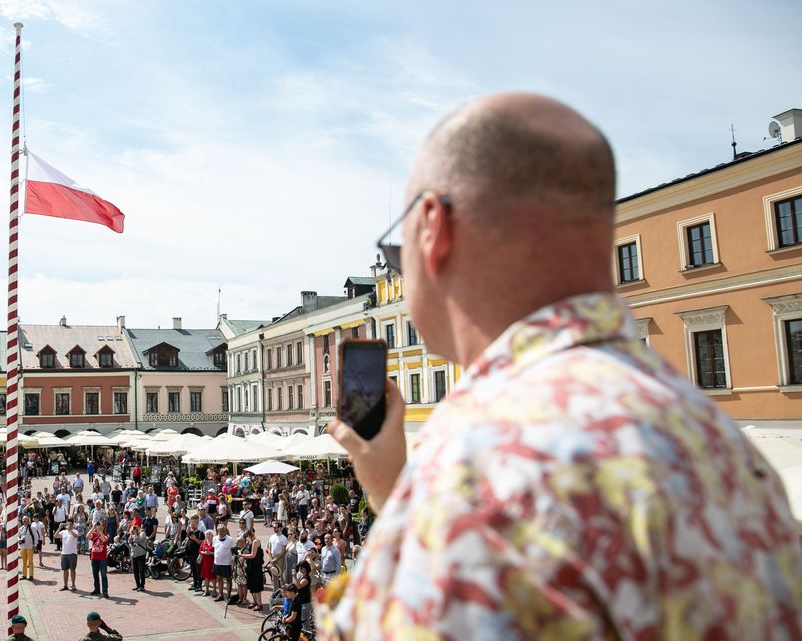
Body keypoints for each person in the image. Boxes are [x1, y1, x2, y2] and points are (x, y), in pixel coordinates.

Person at [323, 93, 802, 641]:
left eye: (395, 257)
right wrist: (396, 496)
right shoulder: (722, 443)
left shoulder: (483, 466)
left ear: (433, 228)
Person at [210, 525, 234, 602]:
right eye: (219, 531)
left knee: (228, 579)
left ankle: (228, 596)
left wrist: (232, 565)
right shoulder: (215, 538)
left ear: (225, 531)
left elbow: (233, 552)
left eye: (222, 530)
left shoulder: (230, 539)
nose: (220, 532)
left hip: (227, 563)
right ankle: (221, 595)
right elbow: (215, 549)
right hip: (217, 563)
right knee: (219, 578)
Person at [88, 521, 110, 598]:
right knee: (95, 574)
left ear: (103, 527)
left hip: (102, 558)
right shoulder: (94, 534)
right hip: (94, 557)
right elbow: (87, 536)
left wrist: (100, 531)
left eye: (100, 525)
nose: (98, 527)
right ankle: (97, 589)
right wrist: (93, 527)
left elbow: (104, 540)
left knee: (103, 575)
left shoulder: (106, 534)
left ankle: (105, 591)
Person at [128, 525, 150, 591]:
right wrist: (131, 534)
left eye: (135, 528)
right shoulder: (132, 535)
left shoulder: (142, 534)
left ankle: (142, 586)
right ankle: (137, 585)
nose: (134, 529)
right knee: (135, 571)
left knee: (141, 571)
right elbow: (129, 542)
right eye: (132, 528)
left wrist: (135, 534)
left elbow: (137, 540)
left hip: (141, 555)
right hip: (134, 555)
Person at [59, 520, 79, 591]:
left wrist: (70, 530)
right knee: (65, 570)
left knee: (72, 570)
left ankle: (73, 585)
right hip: (64, 553)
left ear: (73, 525)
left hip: (72, 554)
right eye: (68, 524)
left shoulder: (75, 531)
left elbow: (76, 536)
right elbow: (55, 536)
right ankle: (65, 585)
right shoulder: (63, 532)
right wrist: (59, 528)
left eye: (71, 524)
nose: (69, 525)